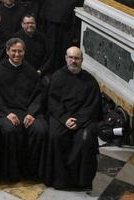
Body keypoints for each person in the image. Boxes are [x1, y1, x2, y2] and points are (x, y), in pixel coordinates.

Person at [43, 47, 101, 190]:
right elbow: (53, 102)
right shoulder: (57, 76)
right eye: (71, 58)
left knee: (85, 139)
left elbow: (92, 106)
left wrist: (79, 121)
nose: (73, 61)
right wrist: (65, 119)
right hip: (61, 117)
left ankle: (81, 182)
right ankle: (60, 180)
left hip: (83, 120)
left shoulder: (90, 81)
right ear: (66, 58)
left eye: (77, 58)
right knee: (55, 136)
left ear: (82, 60)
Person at [0, 38, 47, 181]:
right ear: (7, 51)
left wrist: (31, 113)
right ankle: (12, 174)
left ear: (24, 52)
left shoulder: (30, 71)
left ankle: (31, 173)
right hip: (7, 112)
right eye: (14, 51)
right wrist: (7, 113)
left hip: (28, 111)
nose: (17, 54)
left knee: (40, 130)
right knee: (9, 130)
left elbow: (38, 95)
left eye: (20, 51)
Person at [40, 0, 86, 70]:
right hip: (52, 29)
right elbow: (45, 12)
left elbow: (76, 17)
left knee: (65, 51)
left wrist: (75, 33)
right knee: (52, 50)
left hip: (67, 29)